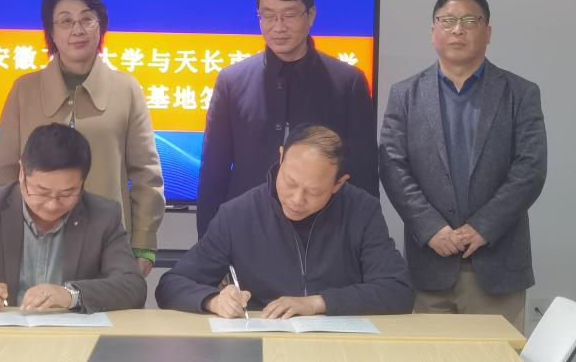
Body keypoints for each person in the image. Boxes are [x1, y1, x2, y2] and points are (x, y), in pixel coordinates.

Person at [379, 0, 547, 329]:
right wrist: (432, 229)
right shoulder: (405, 95)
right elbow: (393, 167)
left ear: (488, 33)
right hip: (430, 262)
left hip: (498, 265)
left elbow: (530, 169)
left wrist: (483, 227)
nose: (458, 29)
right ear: (433, 32)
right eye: (448, 20)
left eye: (470, 21)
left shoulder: (520, 93)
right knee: (429, 361)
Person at [0, 0, 164, 275]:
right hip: (33, 243)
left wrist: (144, 243)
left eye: (86, 19)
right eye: (66, 21)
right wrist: (1, 236)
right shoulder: (24, 89)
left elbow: (147, 175)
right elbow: (2, 173)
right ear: (51, 33)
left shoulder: (126, 88)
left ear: (100, 27)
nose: (77, 30)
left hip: (107, 243)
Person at [157, 125, 412, 318]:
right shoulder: (238, 214)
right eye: (290, 182)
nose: (297, 199)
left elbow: (398, 289)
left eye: (314, 192)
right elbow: (171, 285)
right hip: (263, 342)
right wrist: (213, 300)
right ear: (280, 158)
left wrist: (317, 303)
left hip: (340, 344)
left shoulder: (361, 210)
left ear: (338, 184)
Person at [196, 0, 377, 236]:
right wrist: (209, 244)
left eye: (289, 15)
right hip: (247, 232)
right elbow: (214, 172)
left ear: (311, 15)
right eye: (268, 15)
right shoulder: (231, 82)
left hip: (325, 233)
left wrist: (362, 241)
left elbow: (363, 173)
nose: (278, 27)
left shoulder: (348, 82)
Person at [0, 123, 147, 312]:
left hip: (72, 341)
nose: (52, 204)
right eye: (41, 192)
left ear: (83, 182)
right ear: (21, 173)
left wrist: (71, 295)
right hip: (0, 340)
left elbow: (133, 286)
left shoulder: (103, 215)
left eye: (67, 193)